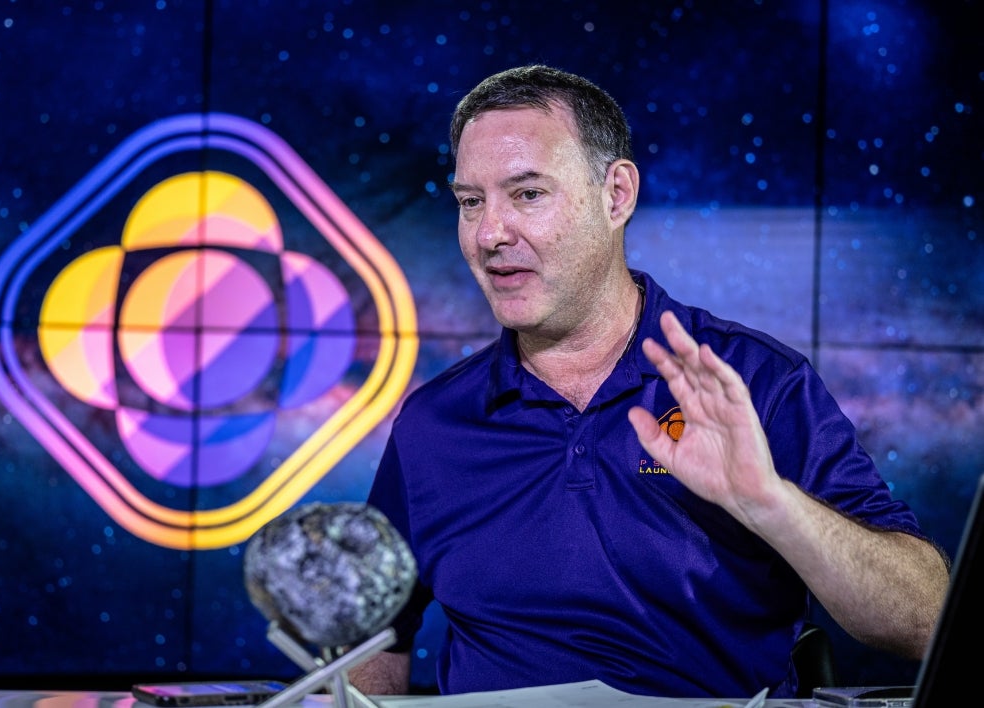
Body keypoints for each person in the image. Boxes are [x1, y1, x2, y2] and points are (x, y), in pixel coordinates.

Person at [347, 65, 950, 699]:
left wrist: (770, 502)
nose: (491, 233)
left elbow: (924, 618)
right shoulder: (433, 425)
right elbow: (370, 632)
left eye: (527, 194)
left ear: (616, 195)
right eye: (471, 202)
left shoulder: (754, 383)